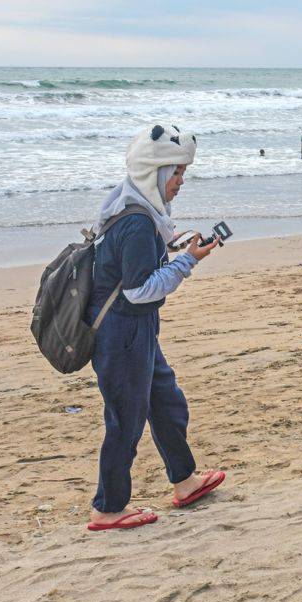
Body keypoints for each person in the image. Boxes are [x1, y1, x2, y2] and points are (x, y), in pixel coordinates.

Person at [84, 125, 225, 531]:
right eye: (176, 173)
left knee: (165, 400)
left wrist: (175, 248)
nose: (180, 182)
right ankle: (108, 508)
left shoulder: (133, 207)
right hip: (122, 331)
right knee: (125, 420)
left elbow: (137, 268)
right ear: (154, 172)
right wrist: (188, 261)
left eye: (182, 173)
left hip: (134, 330)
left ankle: (185, 480)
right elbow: (138, 290)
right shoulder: (138, 222)